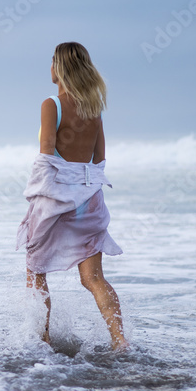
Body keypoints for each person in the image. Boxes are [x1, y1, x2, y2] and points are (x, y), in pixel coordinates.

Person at [16, 43, 128, 350]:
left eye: (51, 62)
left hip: (56, 197)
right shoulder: (94, 107)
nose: (49, 68)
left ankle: (43, 341)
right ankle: (120, 341)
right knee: (93, 279)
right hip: (89, 199)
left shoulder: (52, 104)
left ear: (59, 67)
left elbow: (46, 155)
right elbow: (99, 158)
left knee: (35, 270)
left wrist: (37, 197)